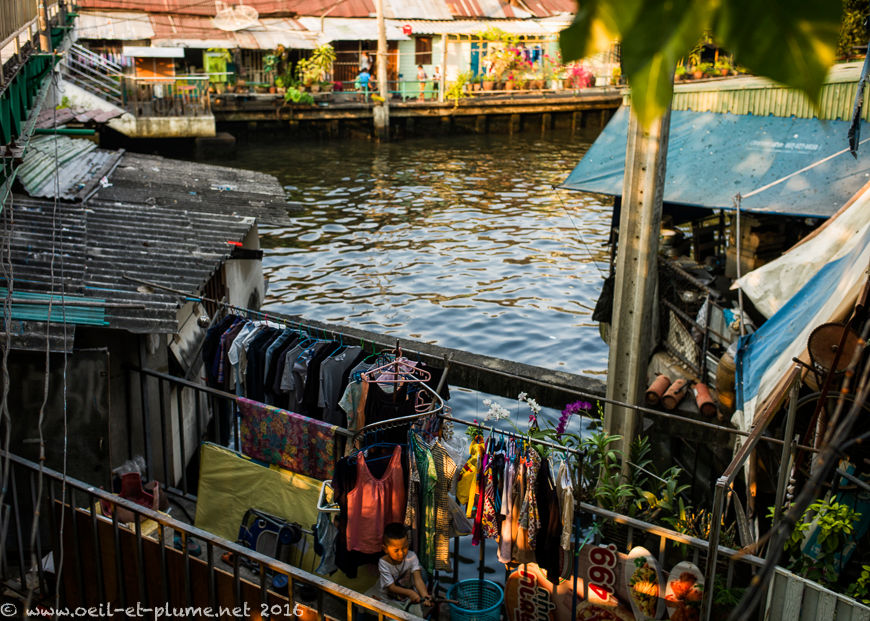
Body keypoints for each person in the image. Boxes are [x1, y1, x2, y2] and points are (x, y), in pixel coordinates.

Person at [366, 522, 431, 615]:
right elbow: (391, 587)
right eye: (396, 550)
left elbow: (418, 579)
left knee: (417, 617)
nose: (401, 553)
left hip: (410, 598)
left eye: (405, 547)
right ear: (385, 549)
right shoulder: (383, 563)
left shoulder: (412, 556)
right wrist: (410, 592)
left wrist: (425, 596)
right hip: (390, 600)